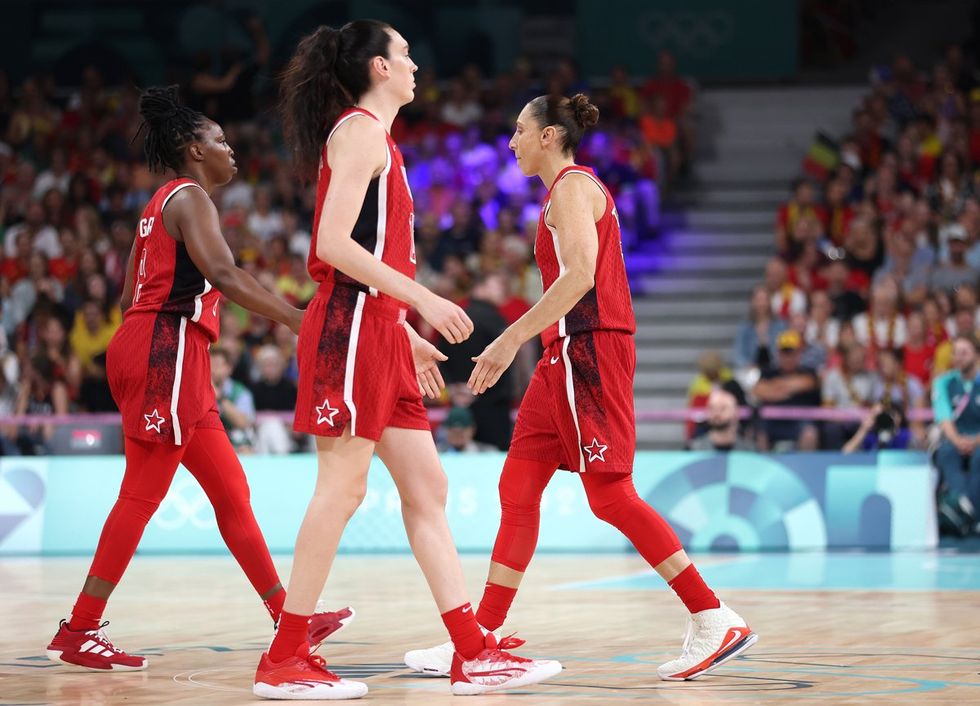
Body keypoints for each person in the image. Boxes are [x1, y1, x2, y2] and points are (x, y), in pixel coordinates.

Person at [404, 93, 755, 682]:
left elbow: (580, 278)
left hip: (587, 348)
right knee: (518, 484)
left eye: (519, 130)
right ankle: (481, 635)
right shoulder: (563, 191)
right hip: (563, 354)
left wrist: (509, 338)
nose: (511, 141)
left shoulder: (571, 186)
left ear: (548, 136)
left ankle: (711, 614)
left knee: (610, 495)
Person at [258, 21, 560, 700]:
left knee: (428, 490)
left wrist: (403, 328)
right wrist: (419, 298)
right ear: (379, 67)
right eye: (404, 54)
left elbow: (369, 248)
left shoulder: (376, 136)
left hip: (379, 328)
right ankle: (284, 657)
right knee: (342, 488)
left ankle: (472, 650)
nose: (416, 63)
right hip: (352, 324)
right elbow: (335, 244)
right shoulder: (361, 130)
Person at [45, 87, 351, 672]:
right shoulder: (190, 198)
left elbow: (134, 286)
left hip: (167, 350)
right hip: (168, 351)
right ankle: (80, 628)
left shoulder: (160, 202)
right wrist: (293, 318)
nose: (230, 149)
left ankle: (292, 618)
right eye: (220, 140)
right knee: (141, 494)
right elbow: (224, 273)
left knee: (232, 492)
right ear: (193, 147)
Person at [932, 333, 980, 535]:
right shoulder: (943, 382)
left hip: (979, 438)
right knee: (945, 452)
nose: (958, 358)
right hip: (956, 437)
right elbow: (945, 419)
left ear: (977, 354)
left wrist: (975, 441)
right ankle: (964, 503)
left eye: (964, 353)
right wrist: (958, 441)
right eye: (955, 353)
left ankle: (967, 510)